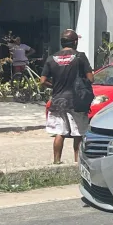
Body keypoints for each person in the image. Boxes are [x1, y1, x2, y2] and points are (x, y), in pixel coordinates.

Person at [39, 29, 94, 164]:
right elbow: (91, 78)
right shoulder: (80, 57)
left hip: (57, 100)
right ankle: (78, 163)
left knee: (60, 132)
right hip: (77, 101)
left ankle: (57, 162)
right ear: (75, 42)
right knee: (79, 133)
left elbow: (42, 81)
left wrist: (55, 85)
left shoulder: (51, 58)